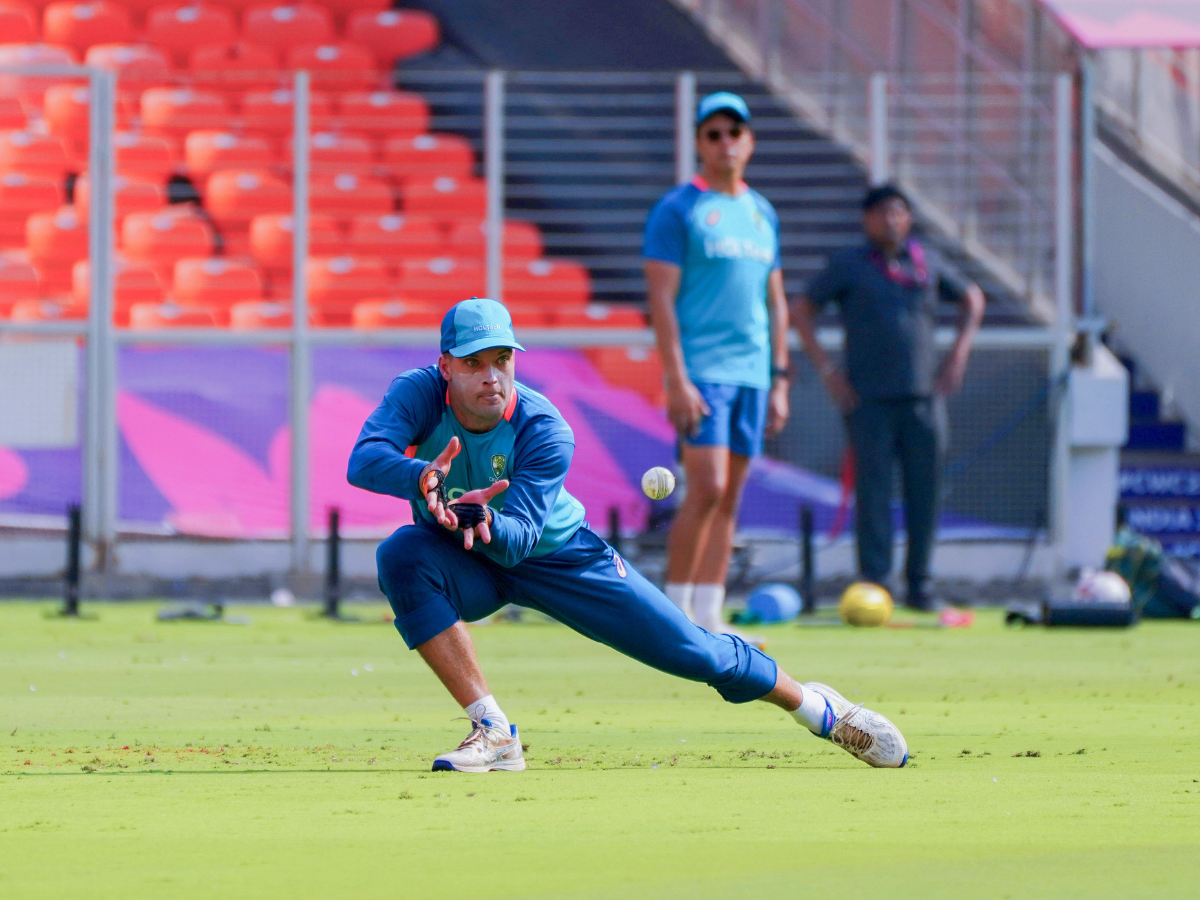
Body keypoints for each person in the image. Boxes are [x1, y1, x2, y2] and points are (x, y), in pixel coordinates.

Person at [347, 297, 907, 773]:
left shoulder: (544, 428)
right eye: (473, 363)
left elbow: (517, 542)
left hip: (559, 557)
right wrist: (421, 476)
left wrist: (484, 519)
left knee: (693, 653)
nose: (491, 376)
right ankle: (493, 731)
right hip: (466, 559)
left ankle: (819, 710)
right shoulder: (418, 393)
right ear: (445, 366)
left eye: (502, 360)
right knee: (402, 556)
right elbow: (364, 460)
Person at [791, 184, 986, 610]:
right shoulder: (849, 264)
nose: (891, 220)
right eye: (882, 213)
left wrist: (959, 351)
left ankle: (920, 584)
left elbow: (972, 297)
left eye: (898, 212)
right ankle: (877, 584)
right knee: (874, 493)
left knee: (926, 492)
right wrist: (827, 370)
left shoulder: (926, 259)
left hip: (924, 398)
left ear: (909, 218)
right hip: (868, 400)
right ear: (867, 219)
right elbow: (801, 309)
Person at [643, 92, 790, 641]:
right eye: (714, 134)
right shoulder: (678, 209)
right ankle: (674, 616)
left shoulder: (761, 212)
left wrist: (779, 378)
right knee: (706, 487)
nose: (726, 142)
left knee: (729, 497)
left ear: (750, 141)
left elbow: (776, 302)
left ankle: (709, 616)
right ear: (699, 144)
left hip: (753, 373)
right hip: (704, 372)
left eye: (735, 132)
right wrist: (676, 379)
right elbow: (661, 300)